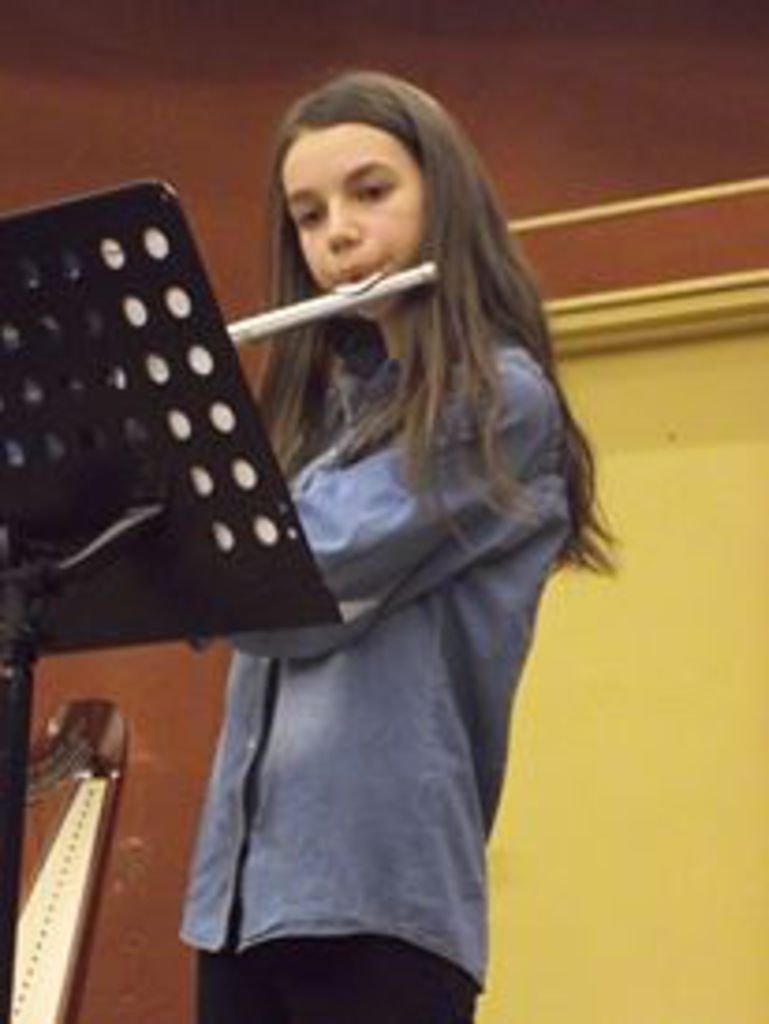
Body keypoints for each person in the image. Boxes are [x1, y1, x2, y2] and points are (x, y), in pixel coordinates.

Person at [181, 69, 611, 1024]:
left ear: (443, 199)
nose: (337, 233)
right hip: (242, 896)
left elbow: (289, 591)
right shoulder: (318, 419)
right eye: (308, 215)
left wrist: (176, 494)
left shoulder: (496, 404)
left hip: (376, 896)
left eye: (370, 193)